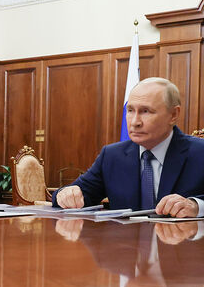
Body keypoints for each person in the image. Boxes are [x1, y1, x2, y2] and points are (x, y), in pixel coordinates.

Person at [52, 77, 204, 218]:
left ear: (173, 114)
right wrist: (65, 194)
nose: (135, 122)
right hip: (125, 239)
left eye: (146, 111)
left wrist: (196, 206)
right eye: (130, 110)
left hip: (183, 239)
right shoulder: (112, 155)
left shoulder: (199, 152)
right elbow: (80, 193)